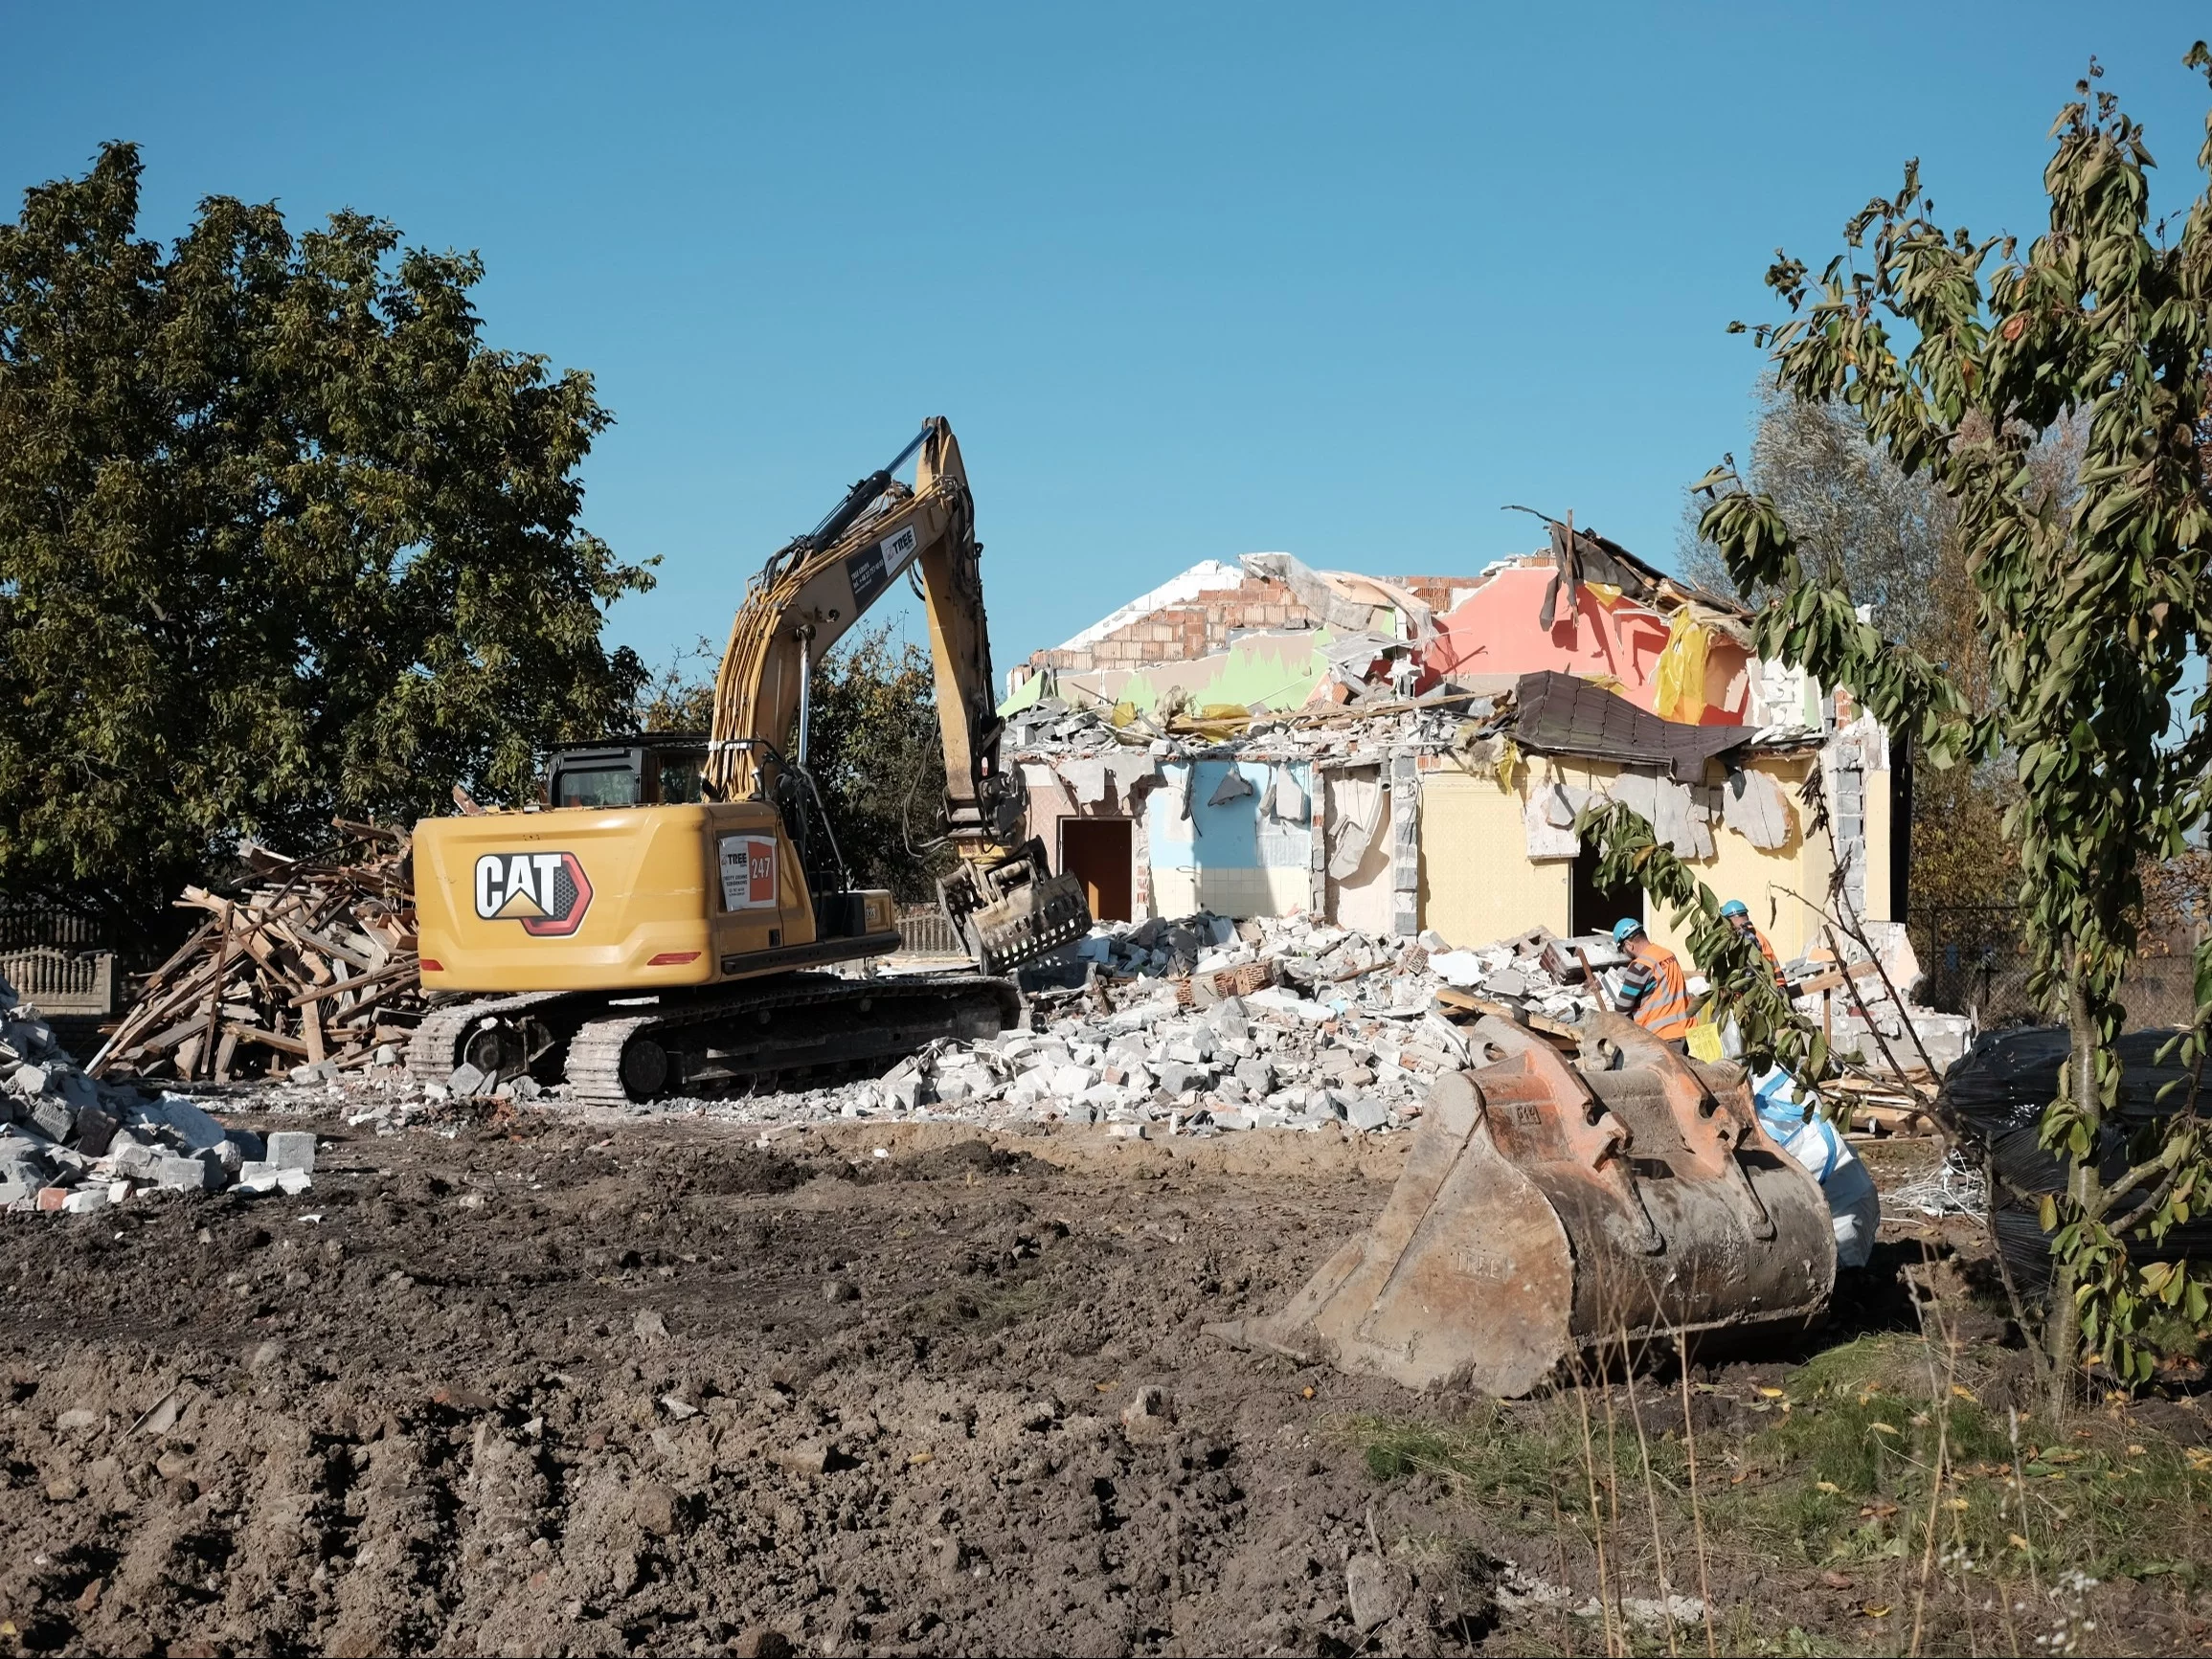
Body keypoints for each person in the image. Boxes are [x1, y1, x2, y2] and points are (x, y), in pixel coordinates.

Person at [1610, 918, 1692, 1050]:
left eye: (1622, 950)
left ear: (1629, 945)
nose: (1624, 954)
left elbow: (1622, 1009)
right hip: (1685, 1031)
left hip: (1661, 1037)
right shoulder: (1668, 954)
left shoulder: (1640, 966)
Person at [1721, 898, 1789, 994]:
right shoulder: (1754, 932)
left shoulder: (1746, 936)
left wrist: (1741, 989)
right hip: (1777, 984)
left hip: (1770, 989)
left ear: (1732, 919)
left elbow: (1752, 968)